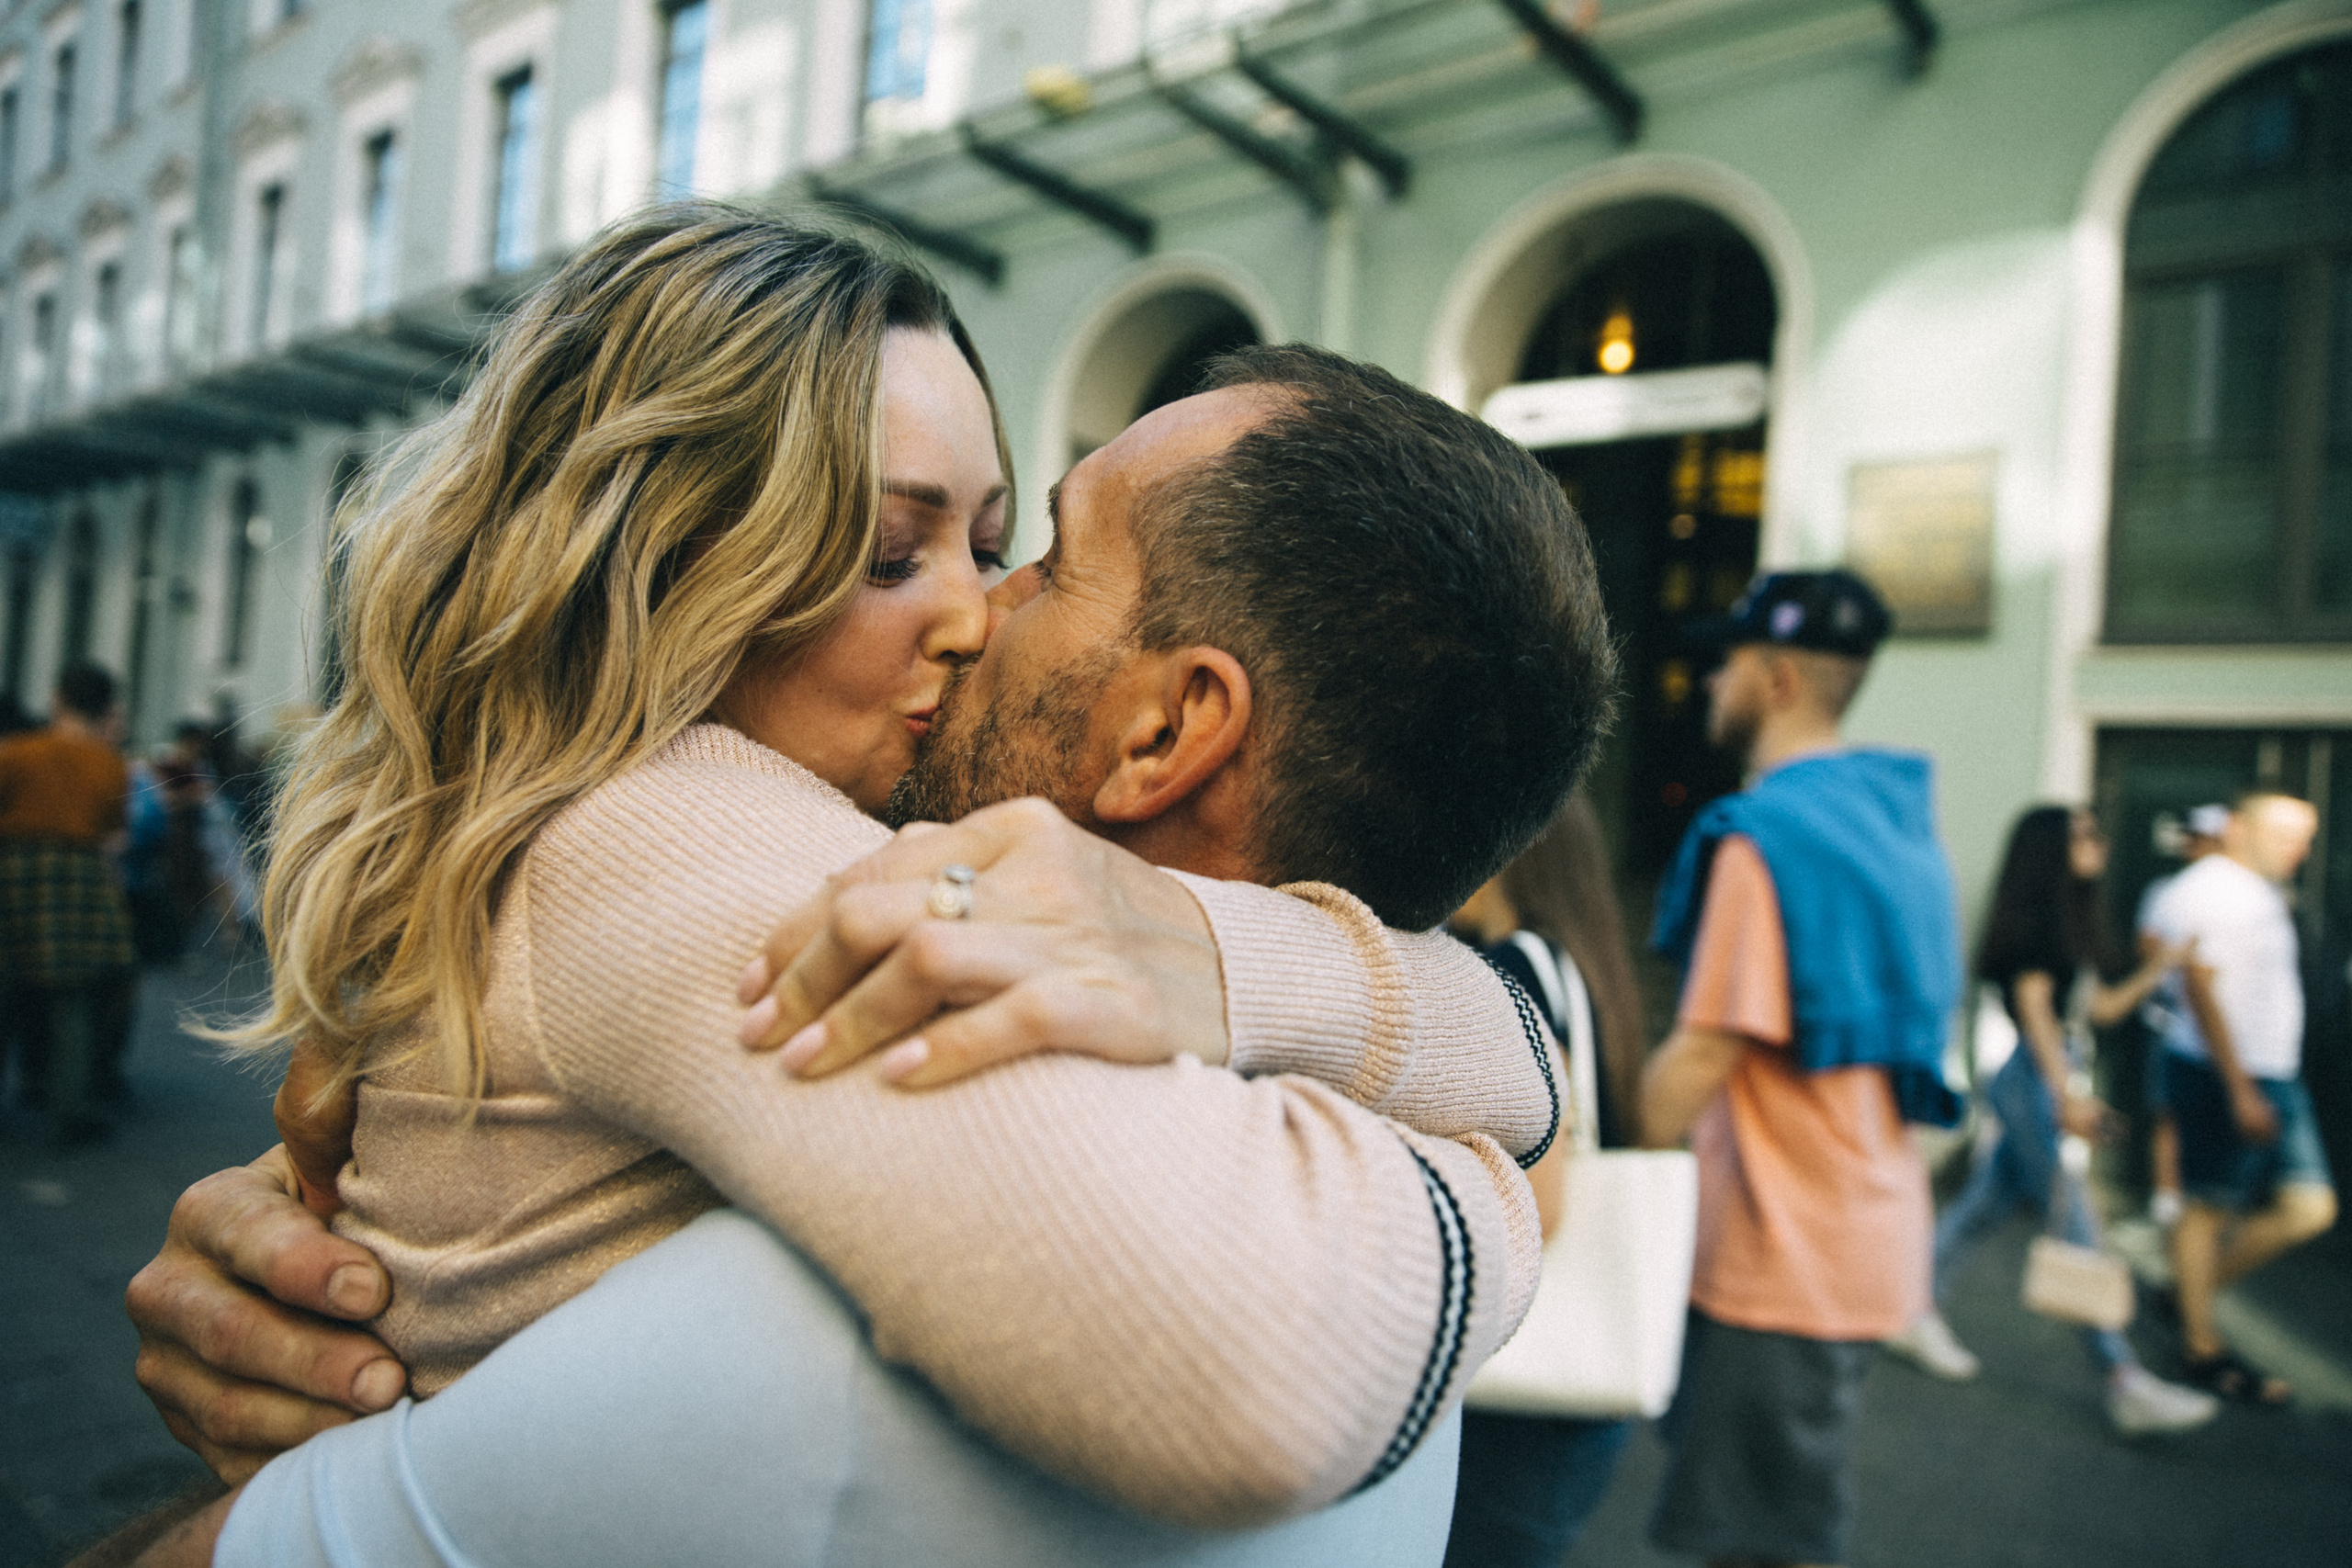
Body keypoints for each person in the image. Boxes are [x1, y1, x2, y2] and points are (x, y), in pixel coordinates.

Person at [119, 209, 1615, 1565]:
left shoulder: (847, 866)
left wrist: (1231, 957)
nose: (973, 612)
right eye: (897, 551)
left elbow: (1513, 1063)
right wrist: (1500, 1192)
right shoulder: (681, 829)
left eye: (1002, 543)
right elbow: (1270, 1355)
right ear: (670, 566)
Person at [1635, 570, 1960, 1568]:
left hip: (1785, 1255)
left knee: (1758, 1547)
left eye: (1723, 663)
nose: (1706, 684)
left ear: (1773, 678)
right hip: (1862, 1223)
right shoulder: (1891, 824)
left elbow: (1703, 1051)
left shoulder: (1765, 840)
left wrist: (1604, 1151)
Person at [1886, 805, 2215, 1435]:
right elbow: (2037, 1010)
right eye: (2084, 832)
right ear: (2051, 848)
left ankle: (1910, 1308)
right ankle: (2124, 1378)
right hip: (2036, 1075)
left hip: (2045, 1071)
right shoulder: (2040, 924)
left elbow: (2104, 1010)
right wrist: (2066, 1094)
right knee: (2077, 1223)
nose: (2099, 839)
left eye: (2098, 828)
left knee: (1984, 1207)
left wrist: (2161, 965)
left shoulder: (2071, 924)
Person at [1442, 793, 1647, 1567]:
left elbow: (1540, 1199)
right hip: (1575, 1405)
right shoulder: (1579, 966)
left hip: (1521, 1396)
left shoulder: (1515, 972)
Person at [2144, 790, 2333, 1404]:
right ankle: (2201, 1346)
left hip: (2271, 1071)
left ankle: (2187, 1292)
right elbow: (2199, 984)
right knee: (2208, 1206)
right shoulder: (2213, 891)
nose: (2298, 851)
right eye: (2286, 835)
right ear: (2238, 829)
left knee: (2310, 1206)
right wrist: (2239, 1087)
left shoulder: (2256, 891)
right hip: (2228, 1074)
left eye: (2305, 838)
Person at [0, 660, 138, 1144]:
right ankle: (70, 1110)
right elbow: (114, 834)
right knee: (74, 996)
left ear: (58, 698)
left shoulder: (16, 754)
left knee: (6, 989)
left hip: (13, 869)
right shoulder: (108, 763)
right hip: (80, 874)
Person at [2137, 802, 2227, 1229]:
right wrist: (2180, 959)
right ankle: (2167, 1199)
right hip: (2174, 1018)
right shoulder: (2168, 891)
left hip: (2227, 1027)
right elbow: (2147, 945)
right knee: (2170, 1109)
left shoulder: (2241, 894)